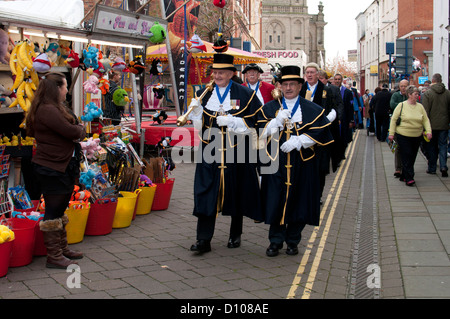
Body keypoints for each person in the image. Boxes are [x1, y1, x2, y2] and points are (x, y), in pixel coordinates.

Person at [187, 53, 262, 254]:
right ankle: (203, 239)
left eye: (221, 72)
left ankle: (235, 234)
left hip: (237, 153)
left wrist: (235, 123)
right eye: (215, 72)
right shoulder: (204, 93)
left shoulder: (246, 94)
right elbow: (199, 127)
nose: (217, 76)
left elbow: (257, 123)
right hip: (210, 152)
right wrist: (195, 113)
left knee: (236, 191)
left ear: (231, 73)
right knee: (205, 193)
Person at [257, 65, 333, 257]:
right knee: (276, 200)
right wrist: (276, 122)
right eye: (285, 84)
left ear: (300, 86)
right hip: (276, 163)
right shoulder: (270, 107)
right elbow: (259, 132)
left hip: (303, 163)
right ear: (280, 86)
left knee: (300, 201)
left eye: (292, 84)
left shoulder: (313, 108)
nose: (288, 88)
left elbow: (320, 132)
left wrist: (300, 141)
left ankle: (293, 240)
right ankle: (275, 241)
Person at [25, 72, 86, 269]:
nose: (67, 90)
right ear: (56, 89)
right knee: (53, 209)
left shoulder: (52, 108)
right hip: (51, 165)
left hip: (59, 163)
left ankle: (62, 248)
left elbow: (71, 128)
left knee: (59, 208)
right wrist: (79, 129)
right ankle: (54, 256)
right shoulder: (47, 110)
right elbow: (71, 130)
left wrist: (77, 128)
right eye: (64, 86)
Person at [300, 63, 338, 203]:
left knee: (320, 168)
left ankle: (317, 196)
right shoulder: (300, 90)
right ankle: (304, 195)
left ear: (317, 74)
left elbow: (334, 109)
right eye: (307, 72)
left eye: (312, 72)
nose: (309, 75)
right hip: (303, 134)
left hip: (321, 135)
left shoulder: (327, 91)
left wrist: (326, 121)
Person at [388, 86, 432, 186]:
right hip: (403, 135)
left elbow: (425, 120)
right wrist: (391, 133)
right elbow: (394, 120)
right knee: (406, 155)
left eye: (418, 94)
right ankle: (409, 177)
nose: (418, 96)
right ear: (409, 95)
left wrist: (428, 131)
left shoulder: (420, 107)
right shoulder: (401, 105)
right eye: (415, 94)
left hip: (417, 136)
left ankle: (404, 175)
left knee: (412, 156)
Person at [422, 73, 450, 177]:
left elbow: (425, 111)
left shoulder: (428, 94)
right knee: (443, 146)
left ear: (433, 81)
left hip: (431, 125)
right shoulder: (447, 93)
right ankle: (443, 166)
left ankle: (432, 168)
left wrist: (425, 126)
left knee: (431, 147)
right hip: (444, 124)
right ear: (441, 80)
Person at [390, 79, 408, 177]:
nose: (403, 88)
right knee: (398, 148)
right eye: (402, 86)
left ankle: (406, 167)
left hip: (408, 126)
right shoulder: (395, 95)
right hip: (397, 125)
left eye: (405, 86)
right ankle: (398, 168)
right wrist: (405, 106)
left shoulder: (410, 96)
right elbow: (392, 105)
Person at [334, 74, 355, 158]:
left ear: (342, 80)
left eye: (339, 79)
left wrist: (351, 120)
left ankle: (342, 153)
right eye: (336, 79)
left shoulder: (347, 92)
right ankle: (336, 155)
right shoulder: (330, 91)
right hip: (334, 119)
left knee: (343, 137)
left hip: (344, 119)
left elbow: (350, 107)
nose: (337, 81)